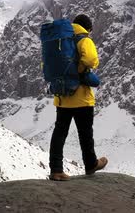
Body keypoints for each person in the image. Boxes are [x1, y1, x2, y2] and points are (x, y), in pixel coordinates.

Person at [49, 14, 108, 181]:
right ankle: (91, 165)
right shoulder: (84, 39)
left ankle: (56, 169)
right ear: (87, 28)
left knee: (59, 133)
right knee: (85, 133)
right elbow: (91, 60)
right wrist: (82, 68)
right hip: (81, 97)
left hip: (62, 97)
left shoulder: (59, 41)